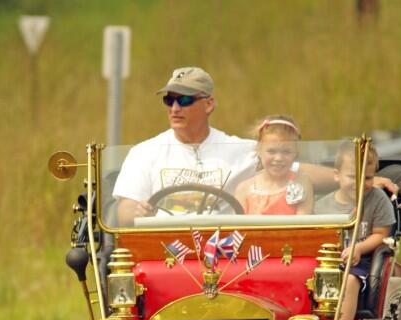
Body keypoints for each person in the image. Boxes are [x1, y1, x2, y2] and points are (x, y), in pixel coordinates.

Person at [113, 67, 257, 226]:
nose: (174, 108)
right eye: (169, 100)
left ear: (208, 104)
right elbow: (125, 212)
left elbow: (282, 170)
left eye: (184, 100)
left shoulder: (244, 151)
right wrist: (139, 212)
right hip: (163, 245)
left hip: (223, 246)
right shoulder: (144, 153)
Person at [315, 141, 395, 320]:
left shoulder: (377, 200)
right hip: (327, 262)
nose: (361, 184)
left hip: (359, 263)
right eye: (353, 177)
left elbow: (381, 233)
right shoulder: (322, 206)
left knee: (350, 281)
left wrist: (358, 248)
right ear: (337, 176)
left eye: (368, 178)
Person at [234, 115, 314, 215]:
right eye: (271, 151)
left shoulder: (301, 182)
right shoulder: (244, 189)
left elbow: (303, 224)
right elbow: (238, 227)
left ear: (296, 152)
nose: (279, 158)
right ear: (259, 149)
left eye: (286, 152)